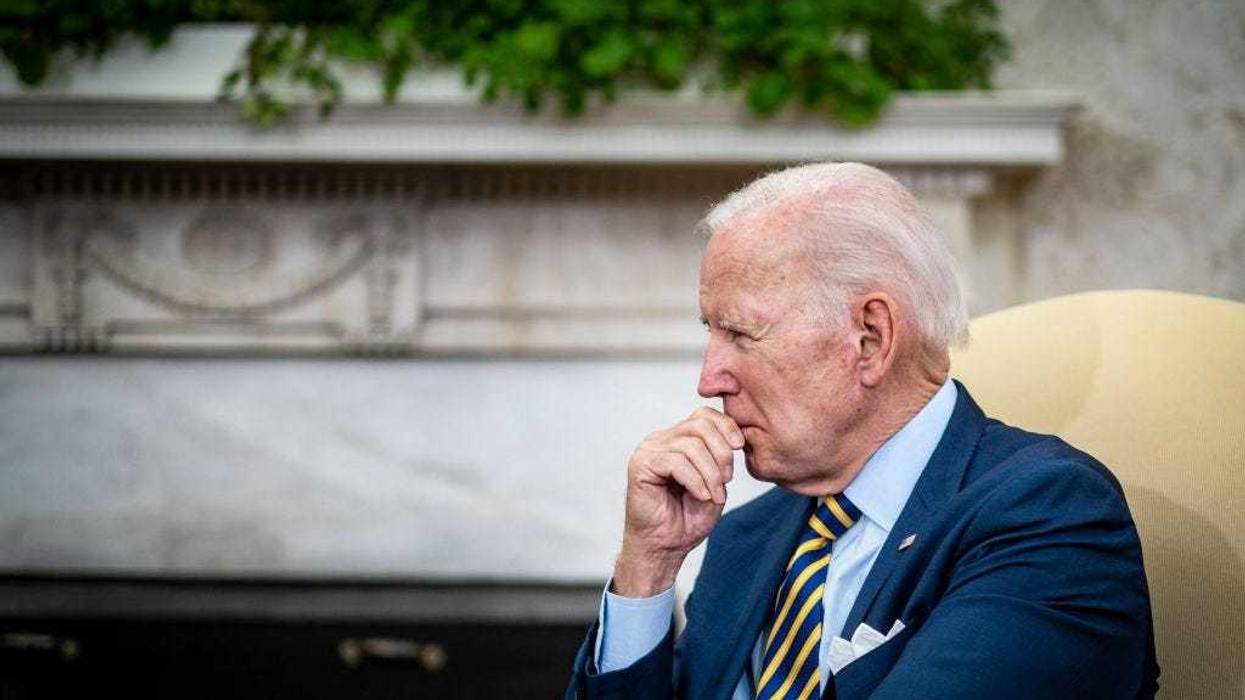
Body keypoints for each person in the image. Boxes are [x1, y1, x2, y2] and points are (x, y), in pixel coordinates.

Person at [563, 162, 1159, 700]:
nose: (708, 379)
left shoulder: (1049, 515)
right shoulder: (746, 535)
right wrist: (647, 566)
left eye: (741, 333)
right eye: (711, 333)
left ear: (870, 338)